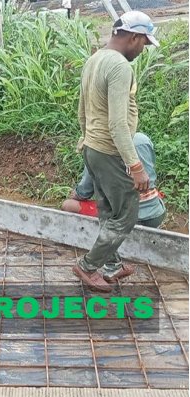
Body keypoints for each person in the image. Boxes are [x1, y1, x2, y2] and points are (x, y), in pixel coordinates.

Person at [73, 11, 160, 292]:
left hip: (93, 148)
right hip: (109, 151)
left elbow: (82, 109)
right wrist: (136, 166)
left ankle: (111, 265)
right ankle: (87, 266)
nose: (143, 49)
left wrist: (86, 138)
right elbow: (118, 124)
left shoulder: (94, 59)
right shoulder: (120, 66)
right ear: (133, 37)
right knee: (127, 213)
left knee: (108, 210)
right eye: (144, 43)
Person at [62, 132, 166, 228]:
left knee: (68, 205)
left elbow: (85, 192)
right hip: (155, 215)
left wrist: (76, 194)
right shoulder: (142, 139)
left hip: (122, 218)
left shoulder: (99, 146)